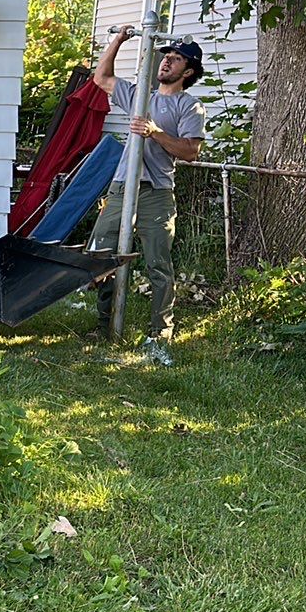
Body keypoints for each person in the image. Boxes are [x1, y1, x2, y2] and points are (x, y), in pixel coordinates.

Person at [86, 26, 206, 364]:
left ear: (189, 70)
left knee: (158, 263)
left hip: (156, 191)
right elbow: (101, 77)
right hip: (123, 185)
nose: (167, 59)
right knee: (101, 255)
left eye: (177, 57)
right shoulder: (141, 95)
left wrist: (155, 132)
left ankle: (159, 335)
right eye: (166, 55)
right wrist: (119, 40)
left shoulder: (189, 107)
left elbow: (190, 151)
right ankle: (103, 326)